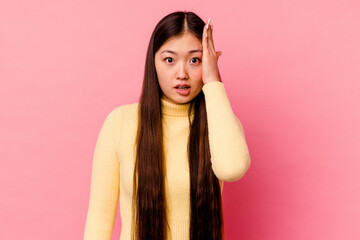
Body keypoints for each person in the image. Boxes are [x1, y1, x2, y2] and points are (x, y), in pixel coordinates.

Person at [83, 11, 251, 240]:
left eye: (195, 60)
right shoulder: (120, 122)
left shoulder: (219, 122)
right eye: (169, 60)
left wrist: (213, 81)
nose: (181, 74)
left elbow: (232, 169)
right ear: (153, 62)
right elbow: (99, 220)